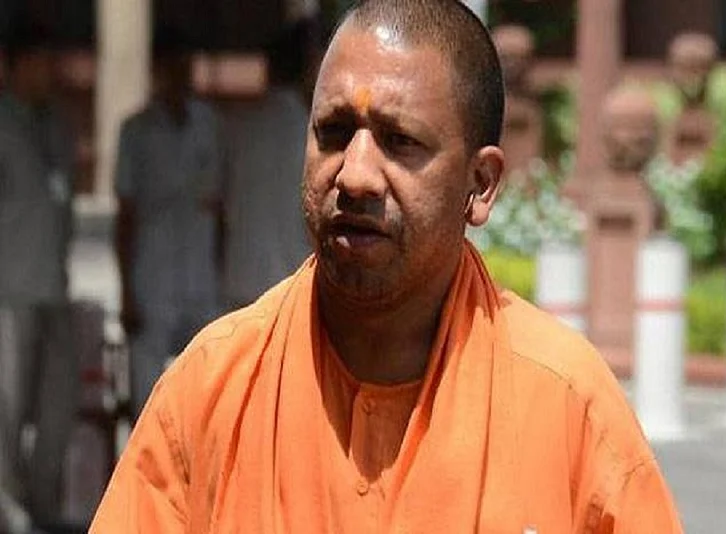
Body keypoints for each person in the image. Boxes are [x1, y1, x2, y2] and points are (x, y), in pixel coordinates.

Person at [91, 1, 683, 532]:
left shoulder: (568, 408)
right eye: (333, 133)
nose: (354, 175)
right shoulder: (210, 390)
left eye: (399, 141)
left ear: (480, 184)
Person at [114, 38, 222, 417]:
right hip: (153, 279)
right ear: (156, 73)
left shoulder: (210, 126)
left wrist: (221, 273)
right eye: (172, 69)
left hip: (200, 278)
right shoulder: (136, 132)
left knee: (209, 390)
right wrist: (126, 292)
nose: (179, 78)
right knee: (147, 395)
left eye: (184, 69)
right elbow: (125, 216)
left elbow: (221, 208)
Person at [0, 35, 78, 533]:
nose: (48, 72)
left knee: (58, 404)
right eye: (39, 62)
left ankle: (43, 505)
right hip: (9, 289)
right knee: (6, 409)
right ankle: (9, 511)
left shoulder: (58, 127)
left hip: (55, 284)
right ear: (13, 66)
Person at [221, 23, 312, 310]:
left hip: (240, 282)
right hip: (292, 288)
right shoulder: (316, 133)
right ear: (311, 69)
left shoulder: (238, 126)